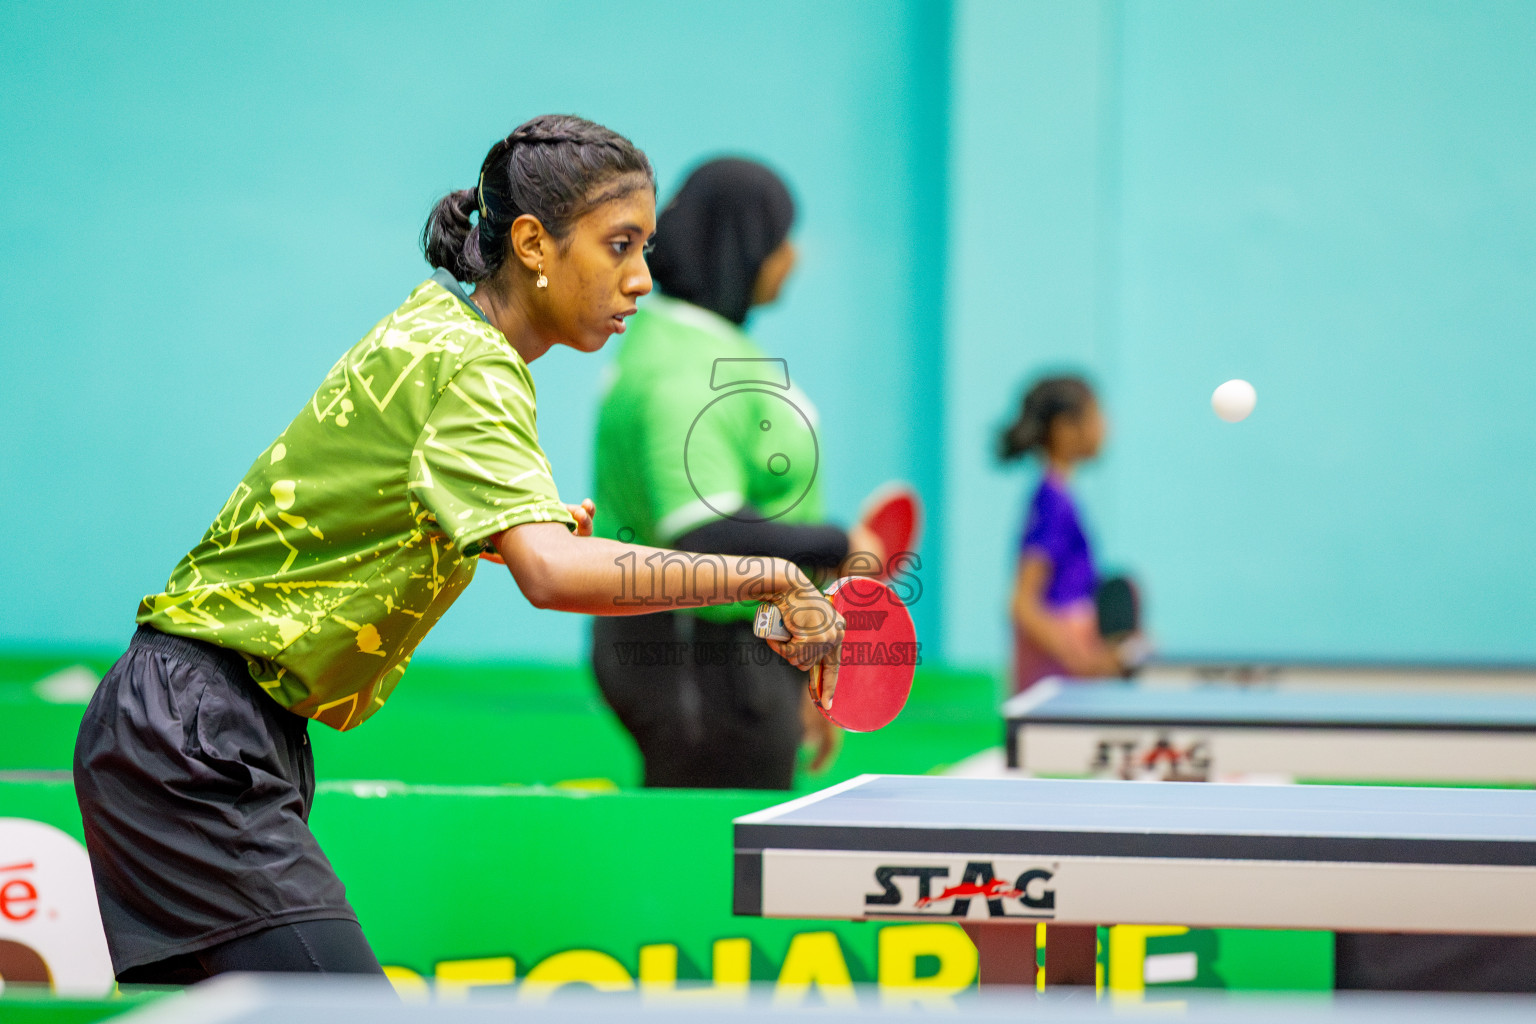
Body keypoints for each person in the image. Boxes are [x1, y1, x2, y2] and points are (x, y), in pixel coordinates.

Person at [72, 117, 842, 986]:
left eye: (647, 248)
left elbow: (376, 493)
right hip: (195, 737)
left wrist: (494, 531)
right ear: (532, 243)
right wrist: (770, 574)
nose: (640, 277)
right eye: (619, 244)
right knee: (341, 1009)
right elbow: (553, 575)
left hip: (206, 726)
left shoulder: (440, 326)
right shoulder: (473, 367)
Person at [590, 157, 883, 790]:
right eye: (782, 238)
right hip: (701, 662)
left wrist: (800, 664)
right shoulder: (683, 370)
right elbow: (703, 531)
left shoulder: (695, 344)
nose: (794, 257)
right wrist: (839, 543)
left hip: (738, 656)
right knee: (721, 847)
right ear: (743, 246)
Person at [999, 375, 1129, 693]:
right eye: (1096, 415)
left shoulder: (1057, 495)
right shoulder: (1053, 502)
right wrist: (1083, 660)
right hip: (1052, 672)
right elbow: (1023, 605)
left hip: (1061, 666)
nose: (1105, 426)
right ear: (1065, 429)